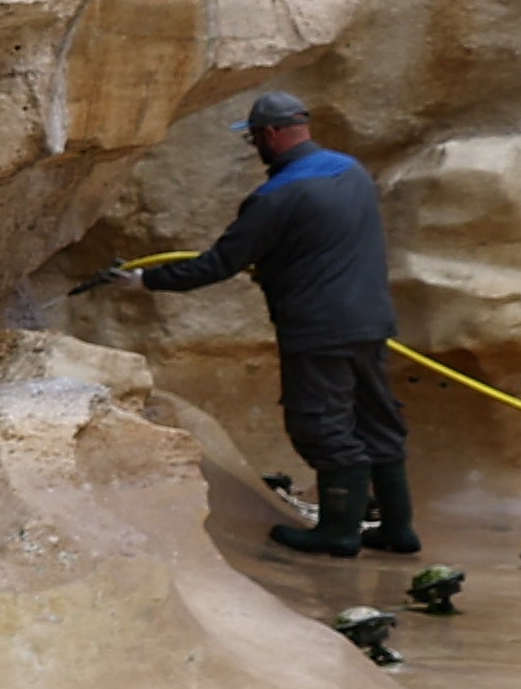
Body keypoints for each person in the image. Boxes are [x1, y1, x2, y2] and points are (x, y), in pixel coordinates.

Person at [99, 90, 416, 557]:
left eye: (253, 141)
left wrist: (144, 281)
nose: (255, 150)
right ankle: (397, 528)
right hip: (369, 320)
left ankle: (339, 532)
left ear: (269, 135)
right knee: (376, 417)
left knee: (322, 424)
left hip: (318, 330)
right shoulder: (353, 173)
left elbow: (217, 264)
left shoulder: (274, 197)